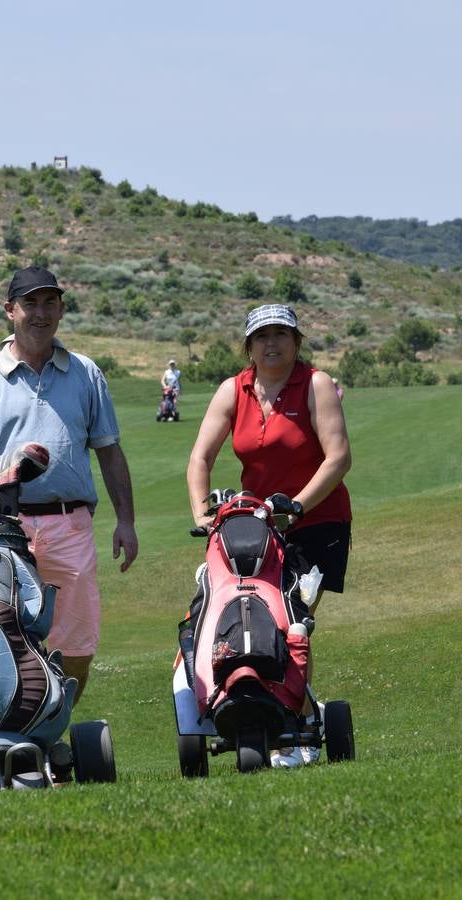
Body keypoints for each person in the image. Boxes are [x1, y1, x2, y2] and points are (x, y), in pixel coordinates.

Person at [0, 265, 138, 704]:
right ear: (10, 310)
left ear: (62, 309)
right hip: (1, 527)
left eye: (50, 302)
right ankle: (9, 728)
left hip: (70, 525)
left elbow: (109, 450)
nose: (40, 312)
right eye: (30, 303)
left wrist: (126, 521)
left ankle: (53, 725)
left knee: (78, 647)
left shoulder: (85, 374)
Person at [185, 303, 352, 764]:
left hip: (317, 523)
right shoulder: (233, 390)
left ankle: (294, 725)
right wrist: (204, 515)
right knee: (246, 611)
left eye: (281, 335)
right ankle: (258, 703)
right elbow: (201, 458)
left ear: (297, 342)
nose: (272, 343)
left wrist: (296, 506)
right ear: (249, 346)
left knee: (291, 619)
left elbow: (337, 459)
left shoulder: (314, 385)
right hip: (253, 528)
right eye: (262, 337)